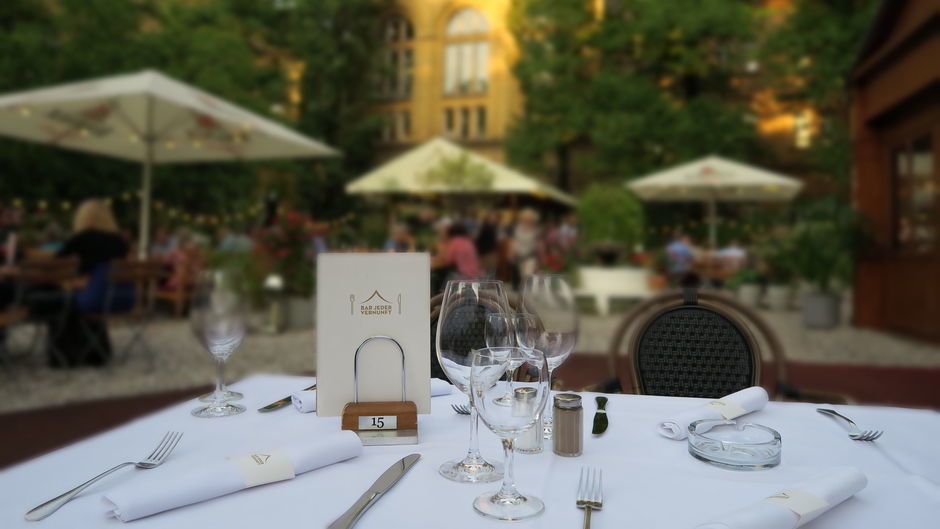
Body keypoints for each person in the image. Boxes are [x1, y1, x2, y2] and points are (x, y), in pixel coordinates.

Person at [48, 199, 130, 367]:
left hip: (96, 297)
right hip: (124, 297)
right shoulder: (120, 241)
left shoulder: (82, 238)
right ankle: (95, 350)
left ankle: (66, 355)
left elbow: (56, 260)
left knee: (62, 300)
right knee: (74, 296)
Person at [510, 208, 542, 286]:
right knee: (521, 275)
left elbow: (539, 243)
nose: (527, 219)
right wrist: (512, 252)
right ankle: (524, 293)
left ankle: (527, 292)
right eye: (526, 217)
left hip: (530, 256)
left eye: (529, 218)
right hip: (519, 256)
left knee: (527, 275)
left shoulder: (536, 229)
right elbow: (515, 241)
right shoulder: (518, 228)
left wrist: (540, 255)